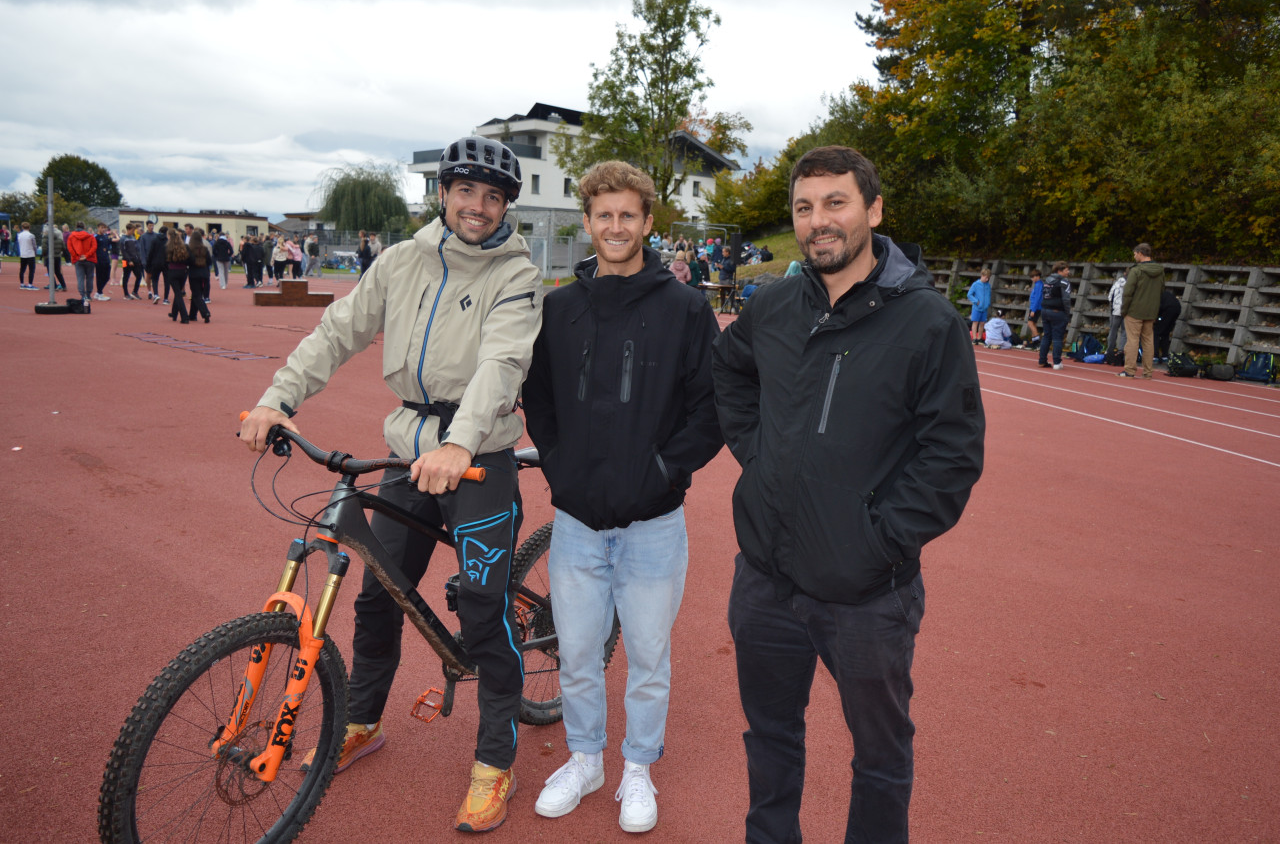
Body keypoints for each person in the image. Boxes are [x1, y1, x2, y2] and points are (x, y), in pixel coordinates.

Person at [239, 135, 542, 834]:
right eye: (465, 191)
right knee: (377, 597)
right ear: (444, 194)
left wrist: (460, 441)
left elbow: (501, 364)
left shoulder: (518, 276)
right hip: (410, 454)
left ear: (505, 207)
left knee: (483, 609)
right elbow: (336, 331)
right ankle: (363, 720)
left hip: (478, 455)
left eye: (492, 196)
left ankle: (495, 760)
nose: (477, 206)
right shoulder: (403, 261)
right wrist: (276, 399)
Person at [712, 145, 985, 844]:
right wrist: (756, 454)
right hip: (766, 577)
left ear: (874, 210)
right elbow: (729, 370)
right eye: (804, 207)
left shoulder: (929, 323)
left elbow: (953, 456)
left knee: (880, 754)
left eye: (835, 202)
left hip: (866, 592)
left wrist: (878, 540)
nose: (818, 221)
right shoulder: (775, 305)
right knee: (770, 734)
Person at [522, 161, 723, 835]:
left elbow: (711, 408)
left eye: (627, 215)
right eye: (604, 215)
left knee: (648, 658)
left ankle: (638, 767)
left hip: (653, 524)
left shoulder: (686, 309)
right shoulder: (559, 309)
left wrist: (662, 472)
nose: (615, 226)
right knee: (577, 654)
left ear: (647, 221)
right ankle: (585, 760)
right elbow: (539, 400)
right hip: (576, 523)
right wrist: (561, 468)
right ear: (587, 222)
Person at [1119, 243, 1166, 379]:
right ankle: (1148, 371)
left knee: (1132, 340)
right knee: (1148, 341)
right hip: (1151, 311)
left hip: (1134, 310)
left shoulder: (1136, 270)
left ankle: (1130, 370)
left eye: (1135, 254)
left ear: (1140, 253)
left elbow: (1128, 292)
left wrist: (1124, 310)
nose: (1134, 256)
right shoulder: (1160, 270)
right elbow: (1162, 289)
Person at [1038, 262, 1072, 369]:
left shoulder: (1047, 280)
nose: (1068, 272)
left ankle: (1042, 361)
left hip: (1045, 310)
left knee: (1046, 336)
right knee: (1057, 337)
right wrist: (1067, 313)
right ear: (1059, 271)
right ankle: (1057, 362)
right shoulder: (1064, 282)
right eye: (1066, 270)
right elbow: (1066, 299)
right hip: (1057, 311)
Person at [66, 221, 98, 309]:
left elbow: (70, 248)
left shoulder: (71, 236)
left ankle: (82, 295)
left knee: (80, 278)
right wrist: (87, 255)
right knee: (89, 277)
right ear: (84, 227)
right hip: (89, 259)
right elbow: (94, 247)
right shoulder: (90, 236)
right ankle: (88, 295)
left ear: (76, 227)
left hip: (78, 259)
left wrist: (77, 256)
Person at [163, 229, 191, 323]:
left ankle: (184, 316)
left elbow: (165, 261)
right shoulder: (185, 247)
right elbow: (189, 259)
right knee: (178, 292)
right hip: (183, 271)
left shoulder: (167, 247)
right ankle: (174, 313)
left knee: (178, 294)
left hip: (173, 271)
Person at [186, 229, 213, 323]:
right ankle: (192, 315)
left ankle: (205, 312)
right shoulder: (204, 249)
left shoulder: (190, 249)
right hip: (204, 274)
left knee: (196, 295)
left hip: (194, 274)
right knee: (196, 294)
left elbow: (188, 261)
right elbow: (209, 261)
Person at [1154, 287, 1181, 362]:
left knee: (1156, 332)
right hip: (1177, 309)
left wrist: (1156, 318)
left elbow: (1157, 308)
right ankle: (1165, 356)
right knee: (1165, 333)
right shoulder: (1166, 294)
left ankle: (1155, 355)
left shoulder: (1155, 295)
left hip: (1167, 310)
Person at [967, 268, 992, 344]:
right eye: (986, 277)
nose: (987, 279)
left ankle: (979, 338)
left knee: (982, 323)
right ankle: (974, 338)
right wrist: (976, 302)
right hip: (977, 307)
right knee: (975, 322)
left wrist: (988, 303)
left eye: (988, 278)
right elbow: (969, 295)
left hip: (985, 308)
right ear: (982, 275)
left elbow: (989, 295)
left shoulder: (988, 285)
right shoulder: (975, 284)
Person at [93, 223, 115, 301]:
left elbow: (110, 243)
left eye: (104, 228)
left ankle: (98, 292)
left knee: (107, 276)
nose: (103, 229)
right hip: (99, 259)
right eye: (102, 228)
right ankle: (100, 293)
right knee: (99, 276)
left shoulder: (105, 236)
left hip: (106, 258)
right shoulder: (95, 237)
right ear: (98, 228)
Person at [1106, 271, 1127, 353]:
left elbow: (1110, 297)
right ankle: (1121, 351)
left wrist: (1112, 308)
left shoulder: (1116, 283)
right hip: (1126, 311)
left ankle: (1109, 350)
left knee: (1113, 331)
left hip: (1115, 311)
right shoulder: (1131, 284)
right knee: (1124, 332)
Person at [17, 222, 38, 290]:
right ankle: (30, 284)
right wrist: (35, 252)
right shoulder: (31, 235)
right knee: (31, 270)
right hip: (30, 254)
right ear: (29, 227)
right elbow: (34, 245)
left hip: (23, 254)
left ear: (22, 227)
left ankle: (22, 284)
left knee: (22, 270)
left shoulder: (19, 235)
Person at [1025, 268, 1042, 347]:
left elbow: (1037, 298)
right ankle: (1034, 341)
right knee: (1033, 323)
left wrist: (1033, 310)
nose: (1032, 279)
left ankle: (1037, 340)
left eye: (1033, 277)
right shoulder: (1038, 284)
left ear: (1037, 276)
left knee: (1030, 323)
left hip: (1036, 307)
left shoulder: (1039, 285)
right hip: (1036, 307)